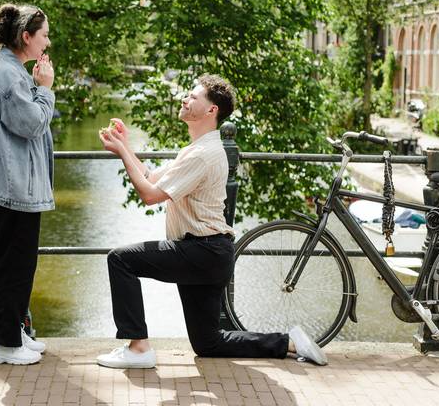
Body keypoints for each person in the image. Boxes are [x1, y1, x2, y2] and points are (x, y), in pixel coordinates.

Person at [95, 74, 327, 369]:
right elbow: (153, 178)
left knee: (120, 260)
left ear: (211, 110)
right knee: (208, 343)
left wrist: (121, 153)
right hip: (209, 254)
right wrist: (125, 147)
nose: (184, 99)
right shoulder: (196, 150)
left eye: (193, 97)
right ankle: (290, 343)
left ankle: (138, 348)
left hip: (201, 252)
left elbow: (150, 195)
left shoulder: (203, 154)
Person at [0, 3, 55, 365]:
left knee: (20, 262)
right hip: (11, 185)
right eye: (44, 35)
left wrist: (36, 86)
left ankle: (13, 331)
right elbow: (32, 124)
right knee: (12, 265)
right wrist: (45, 88)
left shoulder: (12, 70)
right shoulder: (7, 74)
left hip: (16, 183)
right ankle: (3, 344)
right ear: (26, 37)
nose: (48, 41)